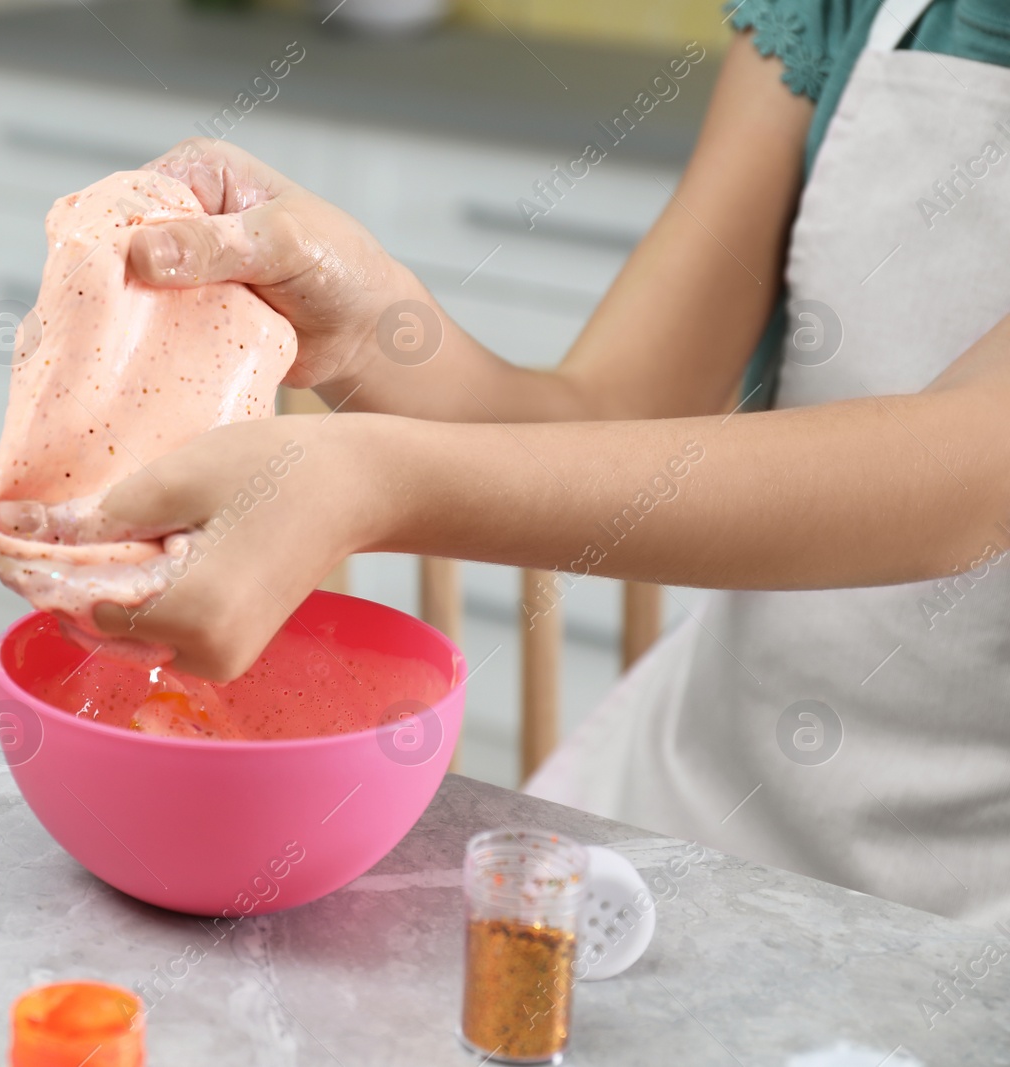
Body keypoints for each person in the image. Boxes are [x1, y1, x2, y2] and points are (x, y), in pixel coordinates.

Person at [76, 0, 1010, 926]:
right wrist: (368, 327)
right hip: (693, 799)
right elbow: (601, 412)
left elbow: (968, 480)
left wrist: (379, 481)